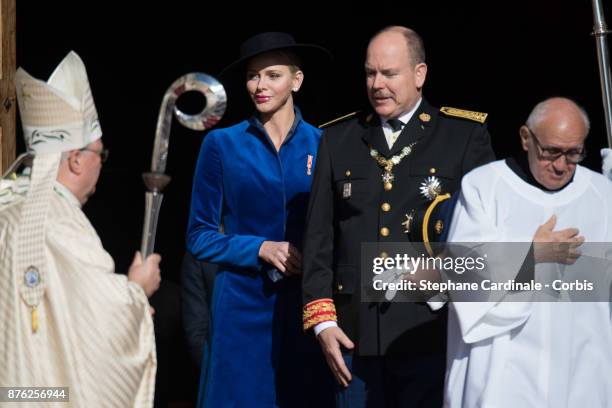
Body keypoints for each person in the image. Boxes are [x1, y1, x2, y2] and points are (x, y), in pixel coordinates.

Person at [301, 25, 495, 407]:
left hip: (429, 332)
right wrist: (323, 322)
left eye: (389, 74)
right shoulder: (338, 138)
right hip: (353, 337)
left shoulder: (462, 136)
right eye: (370, 73)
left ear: (419, 74)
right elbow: (319, 239)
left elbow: (483, 240)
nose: (377, 84)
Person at [0, 51, 161, 406]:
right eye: (99, 155)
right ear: (75, 158)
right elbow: (101, 323)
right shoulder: (62, 223)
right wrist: (137, 291)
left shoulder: (7, 208)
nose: (100, 166)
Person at [186, 32, 334, 407]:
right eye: (253, 76)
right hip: (241, 308)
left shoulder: (325, 143)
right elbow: (199, 236)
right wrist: (260, 248)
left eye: (272, 75)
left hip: (305, 306)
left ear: (296, 80)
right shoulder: (221, 144)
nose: (260, 85)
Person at [444, 97, 612, 407]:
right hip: (503, 375)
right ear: (525, 138)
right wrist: (530, 255)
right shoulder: (484, 188)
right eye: (551, 152)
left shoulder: (601, 193)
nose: (561, 165)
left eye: (574, 153)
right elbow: (464, 279)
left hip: (581, 374)